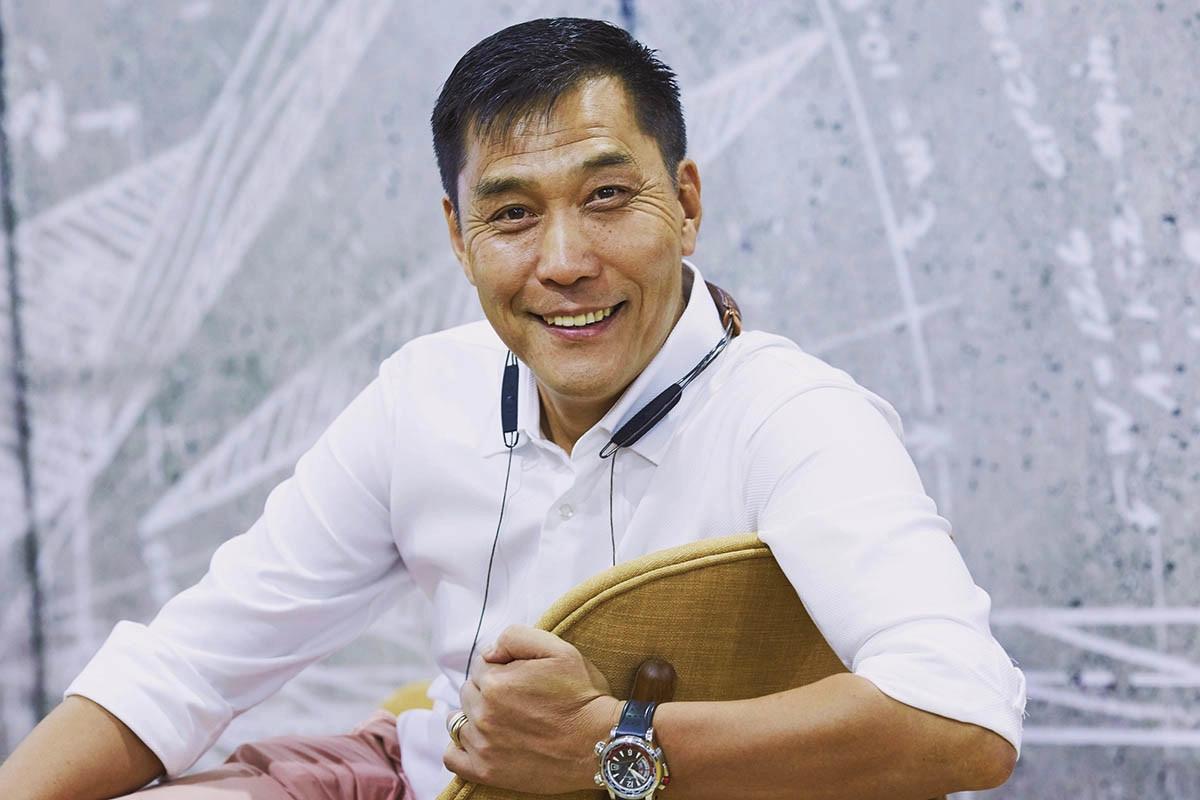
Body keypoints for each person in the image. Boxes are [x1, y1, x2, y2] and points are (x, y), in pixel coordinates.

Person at [0, 17, 1024, 800]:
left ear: (687, 202)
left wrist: (612, 744)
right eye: (513, 213)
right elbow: (189, 665)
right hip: (423, 773)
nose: (565, 261)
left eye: (608, 196)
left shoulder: (797, 417)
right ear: (459, 236)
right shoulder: (421, 393)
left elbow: (964, 716)